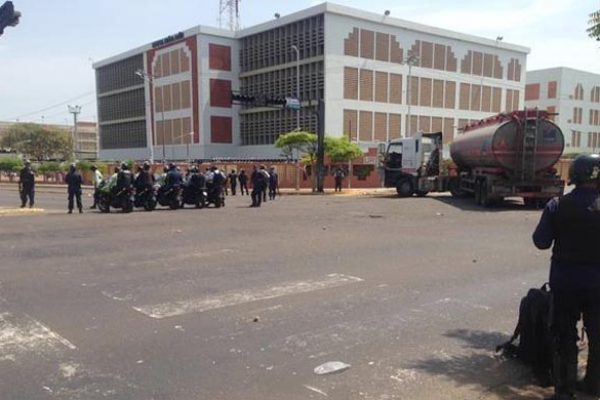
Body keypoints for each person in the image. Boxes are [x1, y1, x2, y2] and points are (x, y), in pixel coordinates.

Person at [532, 154, 600, 400]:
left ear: (574, 176)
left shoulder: (557, 205)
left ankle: (564, 391)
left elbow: (541, 241)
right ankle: (594, 385)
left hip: (565, 283)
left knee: (564, 335)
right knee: (597, 335)